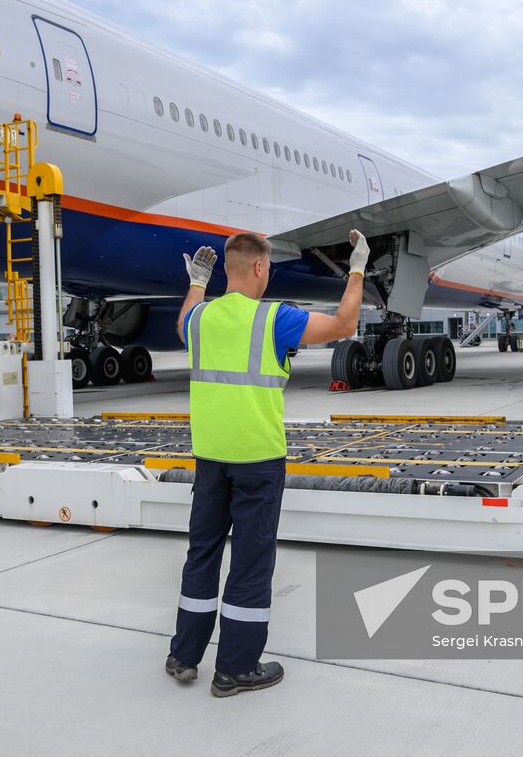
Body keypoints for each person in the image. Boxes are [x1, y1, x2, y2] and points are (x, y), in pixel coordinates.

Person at [165, 229, 369, 697]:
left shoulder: (199, 319)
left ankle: (184, 655)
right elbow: (343, 325)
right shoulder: (275, 318)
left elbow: (183, 323)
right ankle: (235, 668)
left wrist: (197, 280)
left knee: (202, 554)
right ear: (260, 268)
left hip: (210, 459)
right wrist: (356, 268)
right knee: (251, 564)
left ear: (227, 269)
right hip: (257, 460)